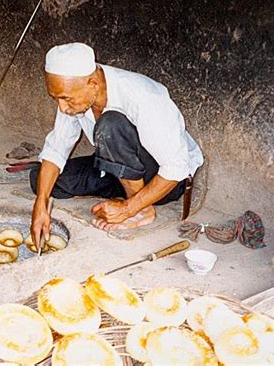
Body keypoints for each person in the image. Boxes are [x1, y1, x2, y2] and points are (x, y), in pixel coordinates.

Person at [29, 43, 203, 249]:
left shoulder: (143, 96)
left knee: (110, 125)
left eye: (66, 99)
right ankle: (122, 194)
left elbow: (176, 167)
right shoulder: (75, 92)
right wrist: (40, 204)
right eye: (56, 99)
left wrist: (128, 209)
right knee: (40, 177)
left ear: (93, 84)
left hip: (165, 180)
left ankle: (142, 209)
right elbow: (56, 149)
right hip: (120, 169)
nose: (62, 107)